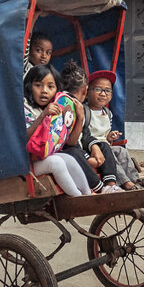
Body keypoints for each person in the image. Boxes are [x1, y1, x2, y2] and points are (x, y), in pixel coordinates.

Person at [24, 64, 90, 197]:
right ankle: (78, 199)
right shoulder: (25, 108)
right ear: (29, 87)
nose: (44, 91)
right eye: (38, 85)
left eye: (50, 86)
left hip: (43, 156)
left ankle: (88, 195)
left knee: (69, 159)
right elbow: (23, 137)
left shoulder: (58, 107)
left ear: (57, 90)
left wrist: (80, 117)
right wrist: (43, 116)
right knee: (56, 162)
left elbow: (71, 142)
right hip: (28, 163)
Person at [57, 61, 110, 193]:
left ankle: (110, 182)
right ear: (85, 90)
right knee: (74, 152)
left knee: (103, 146)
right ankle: (100, 187)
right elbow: (71, 142)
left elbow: (85, 133)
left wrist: (95, 147)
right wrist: (80, 118)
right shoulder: (69, 106)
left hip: (78, 148)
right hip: (67, 150)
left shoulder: (65, 101)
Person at [82, 70, 139, 190]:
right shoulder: (84, 111)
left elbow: (104, 135)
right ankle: (123, 182)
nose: (103, 94)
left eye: (107, 91)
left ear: (111, 95)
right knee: (110, 153)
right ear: (86, 93)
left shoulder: (108, 113)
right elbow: (83, 134)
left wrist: (110, 137)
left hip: (105, 146)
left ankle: (134, 179)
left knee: (121, 151)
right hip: (90, 148)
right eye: (98, 89)